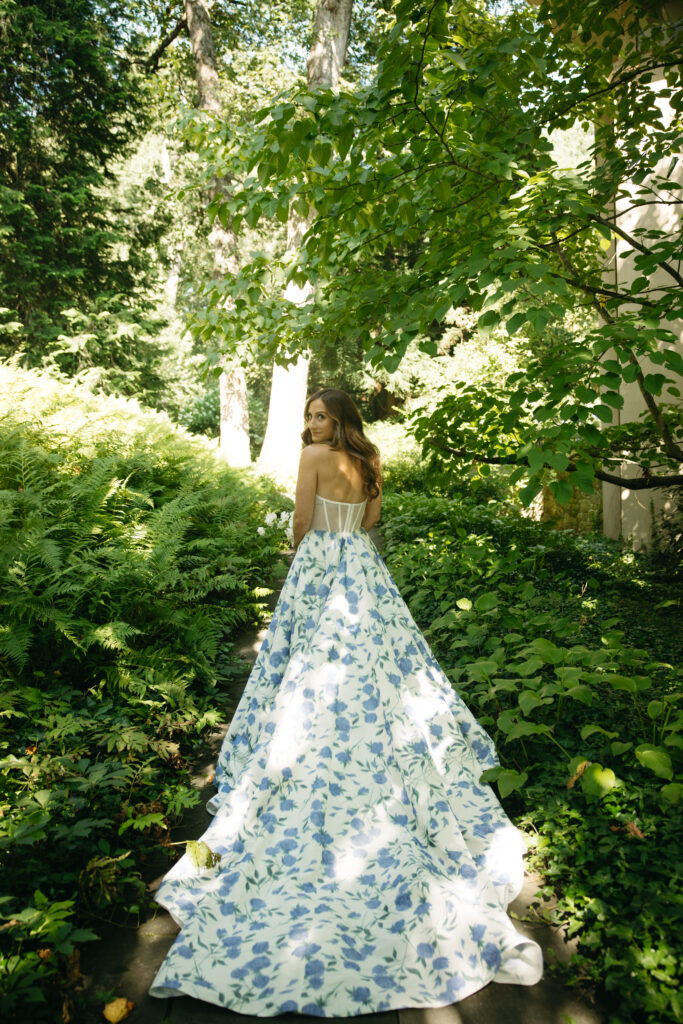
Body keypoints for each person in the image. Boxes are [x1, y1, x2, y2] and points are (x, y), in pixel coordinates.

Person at [149, 387, 543, 1015]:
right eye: (309, 416)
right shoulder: (372, 458)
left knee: (302, 665)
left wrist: (297, 561)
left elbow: (303, 522)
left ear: (337, 421)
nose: (311, 424)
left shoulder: (310, 459)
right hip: (362, 568)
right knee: (381, 662)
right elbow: (371, 523)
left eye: (319, 416)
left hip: (320, 566)